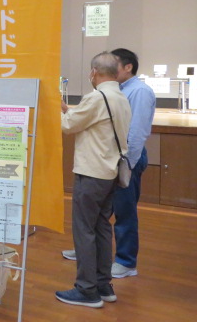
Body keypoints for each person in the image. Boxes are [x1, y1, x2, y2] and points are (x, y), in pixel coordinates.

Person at [61, 49, 156, 279]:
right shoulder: (118, 94)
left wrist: (127, 164)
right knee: (100, 220)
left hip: (115, 163)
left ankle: (123, 262)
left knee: (120, 213)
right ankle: (98, 269)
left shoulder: (134, 92)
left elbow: (137, 133)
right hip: (113, 163)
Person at [56, 52, 131, 308]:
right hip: (110, 173)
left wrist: (54, 110)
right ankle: (103, 284)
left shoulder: (96, 97)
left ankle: (86, 289)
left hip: (91, 174)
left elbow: (67, 126)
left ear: (94, 72)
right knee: (101, 228)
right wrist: (67, 110)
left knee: (84, 230)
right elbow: (90, 121)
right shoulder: (120, 97)